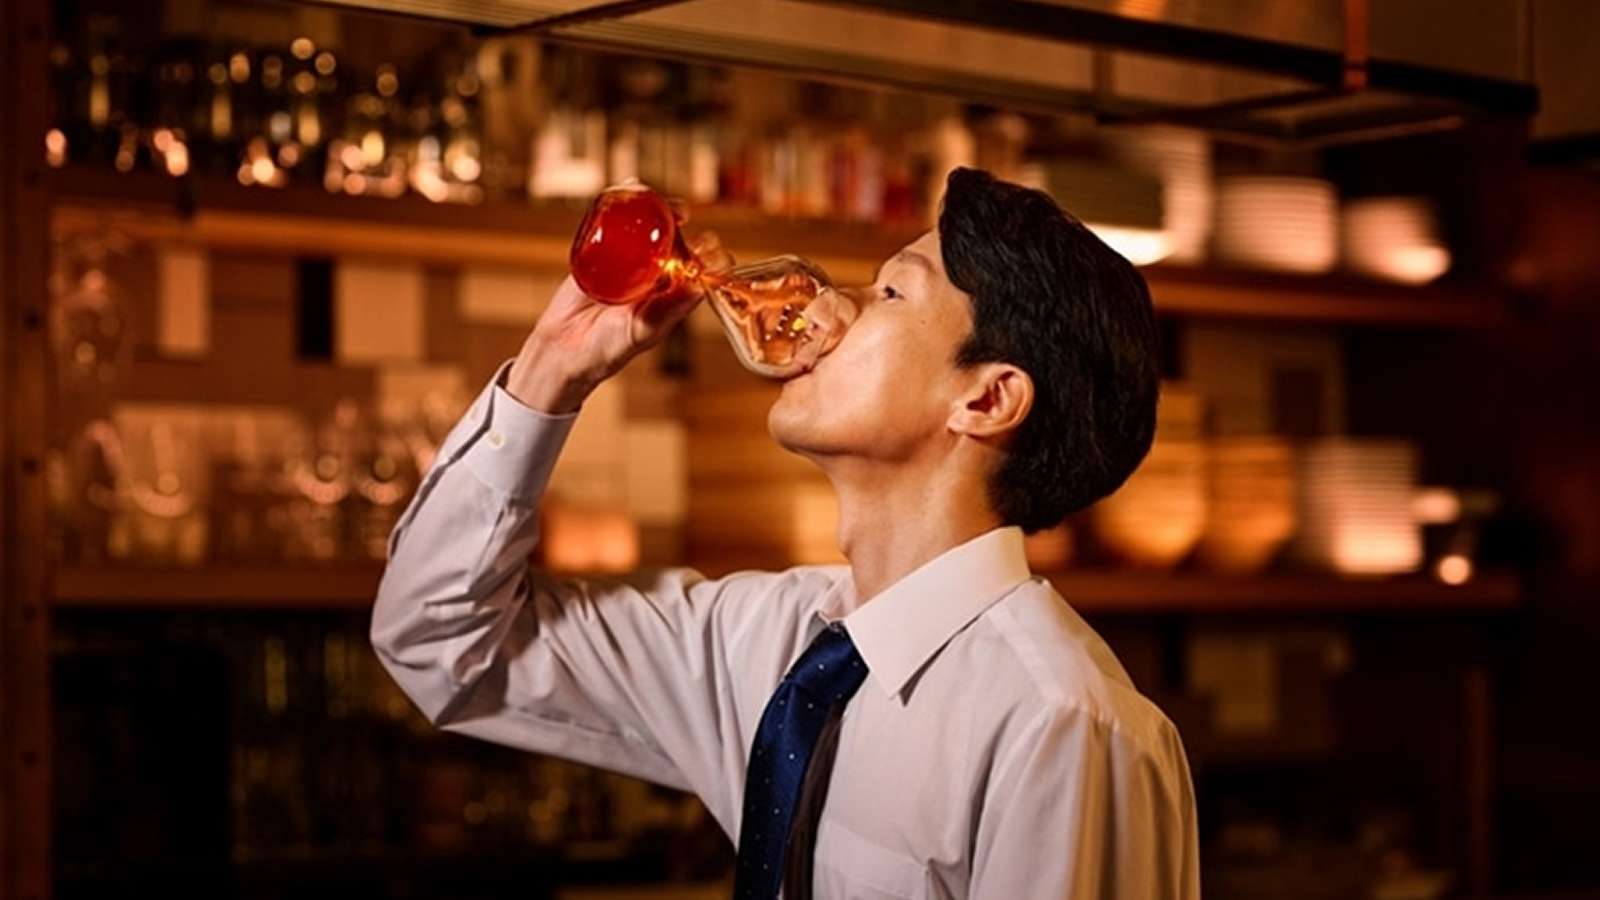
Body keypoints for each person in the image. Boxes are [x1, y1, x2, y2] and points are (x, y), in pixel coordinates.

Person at [371, 167, 1199, 899]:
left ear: (986, 399)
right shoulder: (767, 649)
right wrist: (552, 369)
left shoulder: (1066, 725)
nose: (829, 311)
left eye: (889, 292)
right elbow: (442, 644)